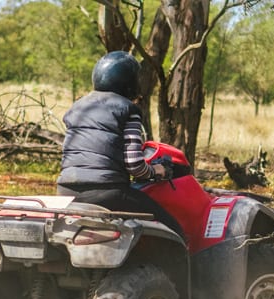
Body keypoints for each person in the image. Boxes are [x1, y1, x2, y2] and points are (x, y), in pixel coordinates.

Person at [56, 51, 185, 239]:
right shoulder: (127, 109)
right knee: (174, 229)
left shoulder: (78, 106)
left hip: (66, 191)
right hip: (107, 192)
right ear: (129, 82)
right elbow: (135, 165)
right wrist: (158, 171)